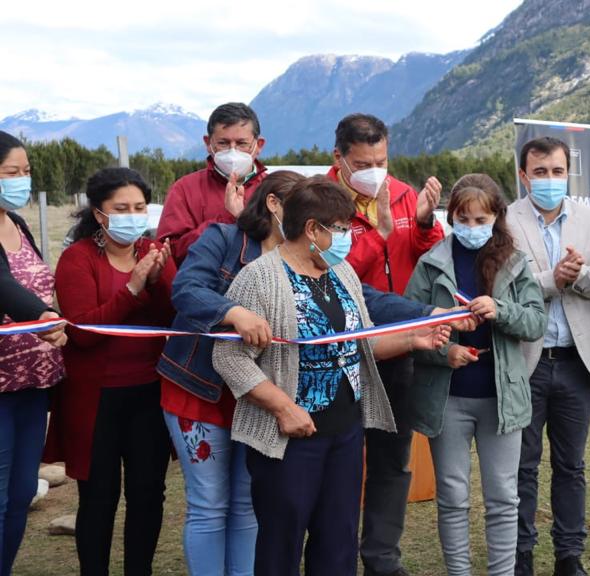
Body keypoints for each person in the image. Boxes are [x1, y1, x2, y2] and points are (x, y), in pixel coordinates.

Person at [159, 171, 464, 576]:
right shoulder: (259, 278)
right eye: (340, 229)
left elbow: (356, 342)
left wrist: (412, 339)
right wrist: (283, 408)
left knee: (338, 541)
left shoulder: (342, 273)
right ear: (312, 230)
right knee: (281, 544)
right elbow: (230, 359)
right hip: (289, 437)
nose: (347, 237)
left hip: (344, 431)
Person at [404, 174, 545, 576]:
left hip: (502, 399)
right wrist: (445, 352)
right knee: (452, 497)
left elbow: (536, 322)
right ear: (450, 217)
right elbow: (410, 327)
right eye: (462, 219)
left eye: (480, 220)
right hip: (448, 399)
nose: (470, 228)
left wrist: (501, 311)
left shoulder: (515, 262)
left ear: (497, 217)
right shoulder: (432, 263)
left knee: (503, 498)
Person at [326, 113, 444, 576]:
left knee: (392, 460)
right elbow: (332, 273)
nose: (375, 171)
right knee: (338, 462)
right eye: (362, 163)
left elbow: (428, 259)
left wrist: (426, 223)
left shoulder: (403, 193)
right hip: (344, 349)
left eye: (382, 161)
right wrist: (379, 235)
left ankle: (382, 558)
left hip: (401, 345)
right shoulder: (321, 202)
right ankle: (333, 557)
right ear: (338, 158)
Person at [45, 167, 176, 576]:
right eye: (121, 208)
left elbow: (172, 316)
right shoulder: (78, 258)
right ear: (100, 213)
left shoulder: (153, 250)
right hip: (95, 398)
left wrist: (157, 282)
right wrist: (133, 288)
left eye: (139, 207)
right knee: (99, 498)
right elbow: (83, 332)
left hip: (149, 393)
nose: (132, 216)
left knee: (148, 494)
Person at [505, 137, 590, 576]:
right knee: (522, 466)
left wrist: (580, 275)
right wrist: (552, 280)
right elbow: (502, 288)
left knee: (571, 466)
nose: (549, 179)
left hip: (576, 361)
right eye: (540, 172)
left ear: (568, 173)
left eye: (556, 171)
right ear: (523, 176)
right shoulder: (506, 221)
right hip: (525, 362)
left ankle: (569, 556)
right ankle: (520, 555)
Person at [0, 131, 67, 576]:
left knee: (22, 492)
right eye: (11, 172)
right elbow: (2, 285)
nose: (21, 180)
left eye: (25, 171)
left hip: (33, 383)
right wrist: (41, 315)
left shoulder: (18, 224)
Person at [158, 102, 269, 265]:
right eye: (223, 143)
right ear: (208, 143)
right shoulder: (184, 189)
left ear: (258, 145)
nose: (233, 151)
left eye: (242, 143)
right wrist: (224, 220)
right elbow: (170, 254)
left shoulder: (274, 190)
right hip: (203, 279)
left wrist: (245, 221)